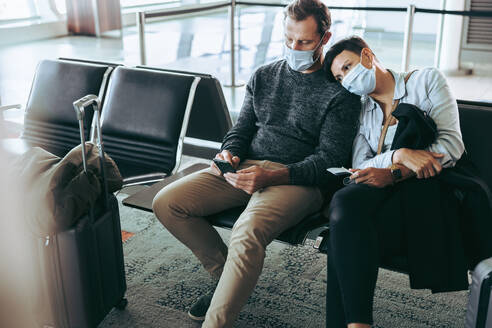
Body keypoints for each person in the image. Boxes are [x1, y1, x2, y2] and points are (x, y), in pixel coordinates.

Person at [151, 1, 361, 327]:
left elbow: (330, 160)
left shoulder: (340, 90)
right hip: (246, 167)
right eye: (289, 39)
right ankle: (225, 280)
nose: (295, 47)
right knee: (167, 203)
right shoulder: (264, 75)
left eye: (304, 42)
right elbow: (242, 129)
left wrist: (274, 175)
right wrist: (229, 153)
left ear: (325, 37)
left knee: (246, 231)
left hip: (298, 180)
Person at [322, 36, 492, 328]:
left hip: (431, 192)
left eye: (348, 67)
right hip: (386, 197)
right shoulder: (363, 111)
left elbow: (451, 147)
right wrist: (400, 154)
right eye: (340, 77)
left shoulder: (425, 81)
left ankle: (353, 324)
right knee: (346, 204)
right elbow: (360, 165)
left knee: (344, 221)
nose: (347, 80)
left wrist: (395, 172)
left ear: (367, 56)